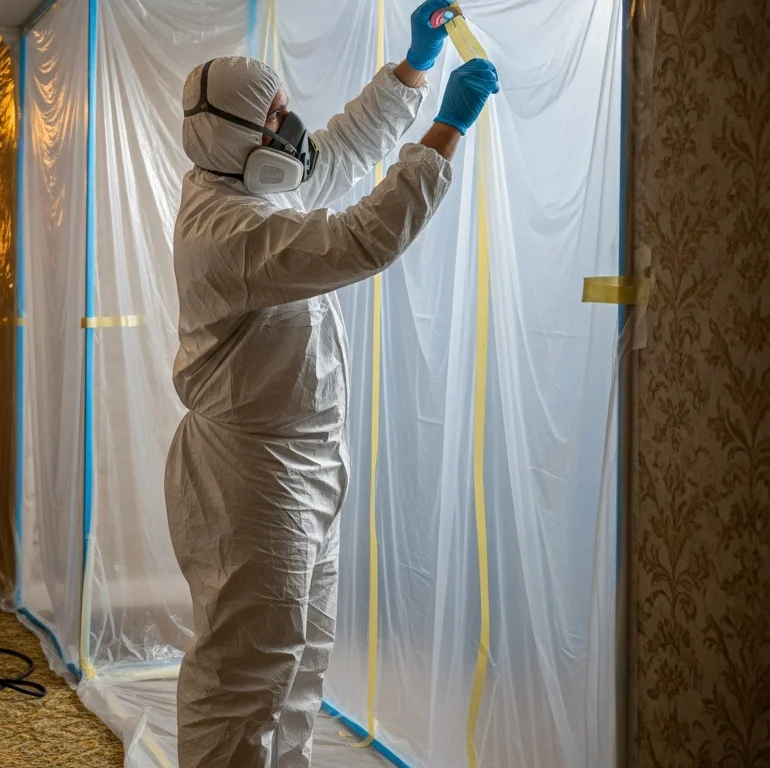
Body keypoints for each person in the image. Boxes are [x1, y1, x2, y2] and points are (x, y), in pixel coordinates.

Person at [163, 2, 500, 766]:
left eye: (285, 107)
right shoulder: (229, 231)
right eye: (274, 115)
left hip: (303, 463)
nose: (291, 126)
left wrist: (413, 70)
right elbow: (361, 238)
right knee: (244, 674)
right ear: (233, 134)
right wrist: (444, 133)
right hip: (253, 475)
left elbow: (337, 154)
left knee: (299, 664)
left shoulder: (252, 187)